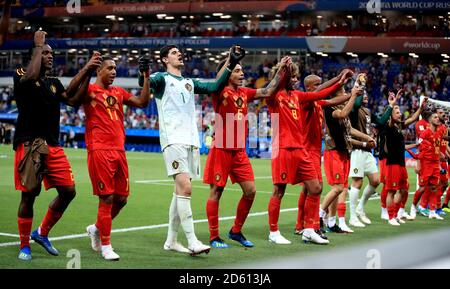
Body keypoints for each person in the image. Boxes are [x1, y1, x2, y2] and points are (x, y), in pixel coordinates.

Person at [138, 44, 243, 256]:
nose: (179, 55)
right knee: (185, 188)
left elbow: (214, 86)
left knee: (179, 193)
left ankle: (171, 240)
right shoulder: (160, 78)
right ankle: (192, 240)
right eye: (174, 53)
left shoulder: (189, 82)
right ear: (165, 59)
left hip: (191, 141)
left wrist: (230, 61)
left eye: (179, 52)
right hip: (173, 140)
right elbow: (144, 84)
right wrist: (144, 74)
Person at [14, 30, 95, 261]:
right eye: (45, 53)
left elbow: (72, 99)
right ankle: (24, 246)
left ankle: (41, 233)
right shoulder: (21, 73)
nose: (50, 56)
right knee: (29, 195)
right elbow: (29, 77)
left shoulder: (53, 82)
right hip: (29, 144)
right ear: (35, 55)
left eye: (52, 53)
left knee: (69, 191)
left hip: (53, 145)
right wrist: (38, 45)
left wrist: (87, 72)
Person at [204, 55, 290, 249]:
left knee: (250, 191)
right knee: (216, 191)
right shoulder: (219, 90)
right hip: (222, 148)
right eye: (237, 70)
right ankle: (213, 236)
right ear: (227, 74)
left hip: (239, 151)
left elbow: (268, 90)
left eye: (242, 70)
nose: (242, 73)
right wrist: (230, 58)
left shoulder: (245, 92)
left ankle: (235, 231)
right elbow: (218, 78)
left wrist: (282, 70)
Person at [72, 53, 150, 261]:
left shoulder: (118, 91)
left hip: (119, 150)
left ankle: (96, 228)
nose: (114, 71)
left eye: (115, 68)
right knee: (106, 197)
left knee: (121, 199)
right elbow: (72, 98)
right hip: (99, 149)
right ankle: (106, 245)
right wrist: (86, 70)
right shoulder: (88, 90)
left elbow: (142, 102)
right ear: (99, 70)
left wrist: (146, 76)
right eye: (109, 68)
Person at [266, 60, 350, 245]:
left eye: (296, 76)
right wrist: (281, 70)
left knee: (315, 187)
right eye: (292, 76)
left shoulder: (297, 96)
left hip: (300, 149)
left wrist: (340, 82)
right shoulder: (274, 96)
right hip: (282, 148)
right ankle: (273, 232)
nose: (296, 79)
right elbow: (270, 88)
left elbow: (322, 93)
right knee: (279, 190)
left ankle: (309, 230)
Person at [294, 69, 353, 237]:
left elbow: (335, 99)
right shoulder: (305, 101)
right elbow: (324, 93)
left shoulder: (318, 103)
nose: (321, 88)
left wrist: (352, 94)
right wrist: (337, 79)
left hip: (314, 150)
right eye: (318, 85)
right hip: (306, 150)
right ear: (309, 88)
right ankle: (307, 225)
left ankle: (305, 225)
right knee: (312, 189)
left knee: (310, 189)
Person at [347, 89, 397, 228]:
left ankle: (360, 208)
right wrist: (359, 90)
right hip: (357, 149)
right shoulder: (353, 110)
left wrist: (391, 105)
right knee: (357, 182)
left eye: (367, 95)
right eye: (363, 95)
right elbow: (356, 104)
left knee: (375, 181)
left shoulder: (368, 111)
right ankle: (352, 217)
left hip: (368, 150)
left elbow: (381, 122)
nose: (366, 96)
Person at [383, 95, 426, 225]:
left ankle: (396, 214)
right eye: (397, 112)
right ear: (390, 115)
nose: (400, 114)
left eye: (399, 111)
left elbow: (412, 118)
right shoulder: (389, 126)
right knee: (392, 191)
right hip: (393, 163)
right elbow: (390, 117)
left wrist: (421, 108)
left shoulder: (399, 127)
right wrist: (392, 103)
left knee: (404, 189)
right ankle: (390, 217)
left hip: (401, 164)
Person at [417, 112, 445, 220]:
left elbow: (437, 150)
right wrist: (418, 165)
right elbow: (419, 149)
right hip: (426, 164)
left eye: (438, 117)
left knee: (435, 186)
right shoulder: (424, 133)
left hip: (435, 164)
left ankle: (432, 211)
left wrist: (439, 163)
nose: (438, 119)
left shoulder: (438, 133)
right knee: (423, 187)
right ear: (430, 120)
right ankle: (418, 206)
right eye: (435, 117)